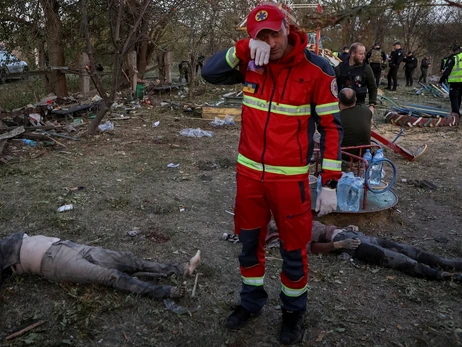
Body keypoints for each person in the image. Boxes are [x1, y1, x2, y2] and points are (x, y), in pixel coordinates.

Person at [201, 3, 343, 344]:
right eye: (260, 35)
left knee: (294, 252)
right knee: (250, 246)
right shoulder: (251, 62)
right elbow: (209, 72)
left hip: (290, 182)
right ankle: (251, 303)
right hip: (249, 177)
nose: (271, 41)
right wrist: (244, 49)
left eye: (274, 33)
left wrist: (330, 183)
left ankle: (293, 314)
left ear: (287, 28)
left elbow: (332, 129)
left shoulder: (318, 69)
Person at [0, 232, 201, 299]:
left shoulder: (11, 236)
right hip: (52, 262)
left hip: (66, 245)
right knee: (110, 275)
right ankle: (166, 292)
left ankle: (181, 268)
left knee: (127, 260)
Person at [262, 220, 462, 281]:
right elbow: (313, 248)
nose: (276, 222)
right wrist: (338, 246)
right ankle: (444, 276)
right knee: (396, 259)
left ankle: (447, 262)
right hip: (348, 243)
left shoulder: (300, 218)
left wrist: (348, 228)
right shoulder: (289, 238)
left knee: (407, 249)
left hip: (351, 234)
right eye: (273, 224)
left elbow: (325, 226)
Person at [334, 42, 377, 115]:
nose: (363, 56)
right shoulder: (340, 68)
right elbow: (334, 88)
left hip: (359, 104)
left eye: (364, 54)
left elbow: (372, 87)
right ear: (353, 54)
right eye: (361, 54)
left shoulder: (366, 68)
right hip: (343, 106)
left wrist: (372, 105)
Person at [338, 88, 372, 157]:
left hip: (345, 155)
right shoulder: (366, 110)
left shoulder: (337, 118)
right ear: (355, 99)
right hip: (365, 154)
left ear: (338, 101)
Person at [440, 45, 462, 117]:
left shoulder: (455, 58)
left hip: (455, 81)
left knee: (454, 97)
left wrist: (442, 80)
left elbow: (447, 71)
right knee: (458, 97)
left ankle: (456, 114)